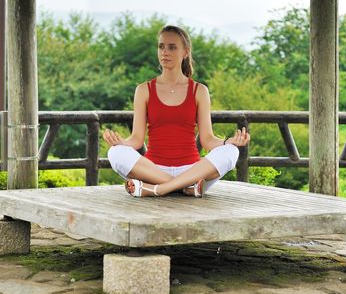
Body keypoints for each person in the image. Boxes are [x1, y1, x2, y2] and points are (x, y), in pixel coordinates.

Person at [103, 25, 250, 198]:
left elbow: (207, 140)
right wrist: (121, 142)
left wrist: (228, 142)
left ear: (185, 52)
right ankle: (185, 187)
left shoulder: (199, 91)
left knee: (231, 151)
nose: (165, 52)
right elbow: (136, 139)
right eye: (161, 46)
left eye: (172, 47)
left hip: (191, 169)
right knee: (115, 153)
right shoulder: (143, 90)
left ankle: (160, 189)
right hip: (153, 170)